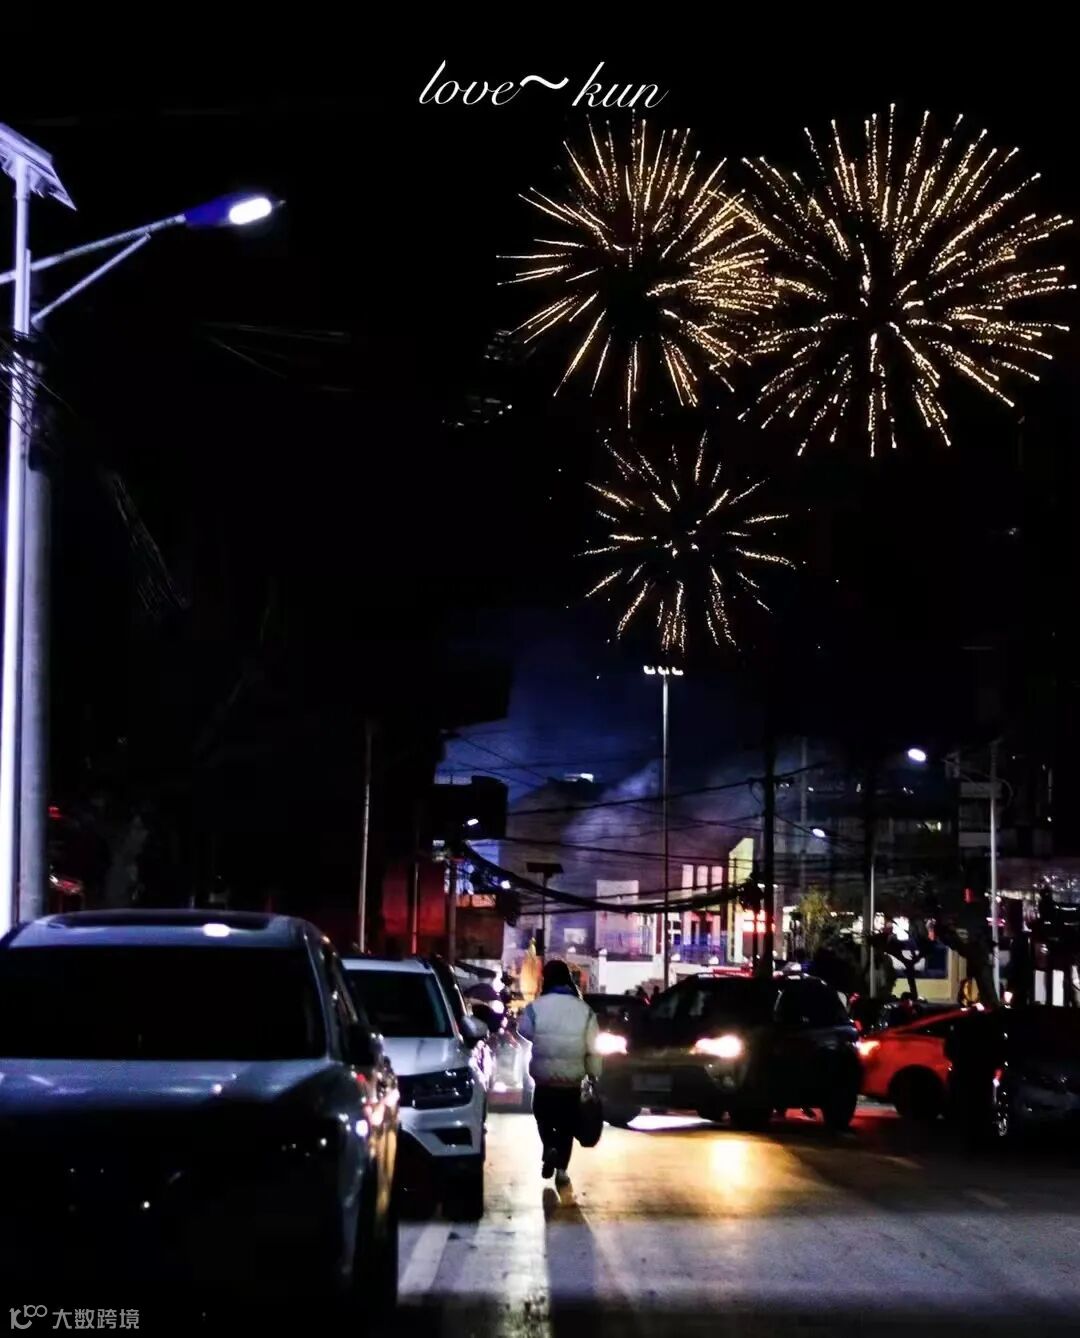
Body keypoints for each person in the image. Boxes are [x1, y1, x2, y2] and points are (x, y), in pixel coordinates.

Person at [518, 959, 600, 1187]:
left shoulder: (536, 1007)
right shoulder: (584, 1010)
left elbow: (523, 1030)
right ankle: (562, 1171)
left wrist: (542, 1038)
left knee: (543, 1117)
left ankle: (549, 1146)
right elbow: (593, 1047)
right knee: (567, 1125)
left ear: (546, 979)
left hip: (543, 1078)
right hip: (571, 1081)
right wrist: (593, 1074)